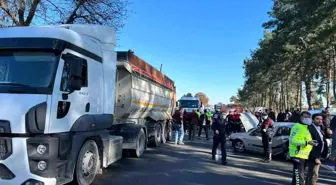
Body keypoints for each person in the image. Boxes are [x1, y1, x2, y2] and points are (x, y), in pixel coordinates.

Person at [289, 111, 317, 185]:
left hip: (303, 155)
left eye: (309, 117)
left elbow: (305, 138)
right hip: (298, 155)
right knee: (299, 179)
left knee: (297, 177)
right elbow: (293, 140)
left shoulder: (305, 127)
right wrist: (307, 143)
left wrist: (311, 141)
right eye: (306, 117)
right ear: (301, 118)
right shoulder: (297, 127)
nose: (308, 119)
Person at [306, 113, 329, 185]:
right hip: (313, 156)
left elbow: (322, 140)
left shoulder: (320, 128)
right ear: (313, 120)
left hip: (318, 155)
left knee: (313, 175)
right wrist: (315, 157)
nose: (320, 121)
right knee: (314, 175)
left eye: (321, 119)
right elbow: (312, 144)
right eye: (317, 119)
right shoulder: (310, 128)